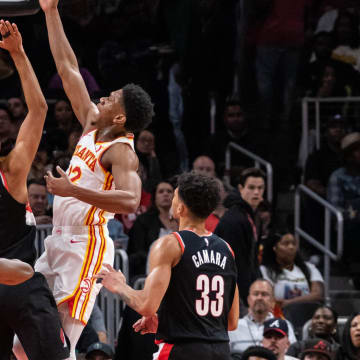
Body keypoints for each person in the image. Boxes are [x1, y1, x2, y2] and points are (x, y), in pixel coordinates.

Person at [15, 1, 154, 359]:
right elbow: (67, 67)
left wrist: (71, 190)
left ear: (121, 117)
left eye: (112, 99)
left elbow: (130, 201)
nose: (103, 96)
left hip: (85, 246)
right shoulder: (92, 122)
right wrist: (50, 11)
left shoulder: (123, 152)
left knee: (58, 346)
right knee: (21, 346)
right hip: (57, 243)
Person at [95, 172, 239, 359]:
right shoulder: (227, 250)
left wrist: (119, 285)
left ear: (180, 208)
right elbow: (231, 322)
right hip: (220, 351)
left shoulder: (170, 244)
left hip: (182, 351)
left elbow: (146, 306)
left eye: (174, 196)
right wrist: (167, 322)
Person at [0, 19, 69, 359]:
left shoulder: (10, 171)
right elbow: (39, 109)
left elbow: (39, 110)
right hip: (19, 283)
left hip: (18, 284)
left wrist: (19, 54)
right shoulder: (11, 170)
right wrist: (18, 53)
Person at [214, 167, 265, 305]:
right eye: (251, 187)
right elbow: (237, 265)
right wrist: (247, 299)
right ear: (241, 188)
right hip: (230, 293)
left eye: (260, 188)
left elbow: (251, 261)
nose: (256, 192)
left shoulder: (250, 216)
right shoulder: (234, 219)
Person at [229, 279, 297, 354]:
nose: (259, 298)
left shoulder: (284, 325)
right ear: (248, 299)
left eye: (264, 294)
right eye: (255, 294)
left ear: (272, 301)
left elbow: (291, 354)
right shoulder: (233, 327)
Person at [260, 232, 324, 309]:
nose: (291, 247)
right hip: (278, 315)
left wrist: (289, 303)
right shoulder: (265, 270)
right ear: (274, 248)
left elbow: (318, 295)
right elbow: (269, 299)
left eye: (294, 244)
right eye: (286, 244)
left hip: (307, 316)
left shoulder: (309, 268)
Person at [127, 180, 177, 278]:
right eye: (161, 191)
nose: (165, 194)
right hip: (149, 272)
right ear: (155, 197)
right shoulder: (143, 221)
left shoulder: (181, 220)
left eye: (169, 191)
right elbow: (137, 251)